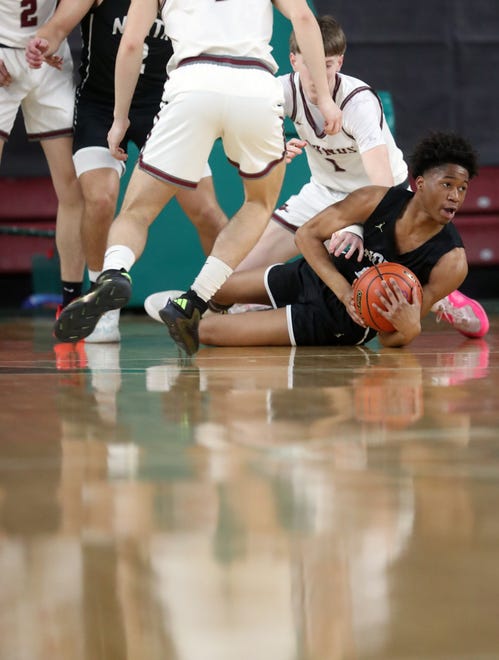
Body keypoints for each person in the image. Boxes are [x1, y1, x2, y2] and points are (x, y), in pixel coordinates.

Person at [144, 14, 488, 339]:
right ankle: (206, 303)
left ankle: (441, 295)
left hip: (382, 199)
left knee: (387, 275)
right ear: (294, 59)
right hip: (323, 192)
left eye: (327, 66)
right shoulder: (279, 91)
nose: (319, 76)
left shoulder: (358, 103)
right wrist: (272, 145)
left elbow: (380, 184)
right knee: (236, 272)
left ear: (339, 62)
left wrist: (353, 225)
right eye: (309, 64)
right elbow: (225, 128)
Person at [52, 0, 343, 351]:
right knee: (257, 204)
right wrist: (325, 100)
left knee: (137, 212)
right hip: (254, 87)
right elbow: (303, 19)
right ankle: (196, 299)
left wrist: (119, 119)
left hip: (192, 86)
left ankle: (114, 272)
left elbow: (131, 44)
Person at [25, 0, 228, 343]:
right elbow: (57, 26)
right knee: (101, 198)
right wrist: (43, 41)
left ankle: (227, 299)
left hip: (165, 107)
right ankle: (101, 301)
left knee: (206, 210)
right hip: (102, 107)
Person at [187, 132, 481, 349]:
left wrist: (409, 329)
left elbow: (394, 337)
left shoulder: (451, 262)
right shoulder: (375, 199)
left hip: (337, 322)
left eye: (462, 189)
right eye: (447, 185)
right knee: (219, 286)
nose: (455, 196)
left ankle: (238, 317)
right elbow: (306, 235)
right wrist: (343, 291)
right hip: (314, 277)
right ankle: (223, 307)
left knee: (206, 333)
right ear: (420, 184)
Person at [0, 0, 85, 310]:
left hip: (49, 54)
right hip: (2, 50)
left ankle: (71, 303)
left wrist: (56, 31)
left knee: (73, 186)